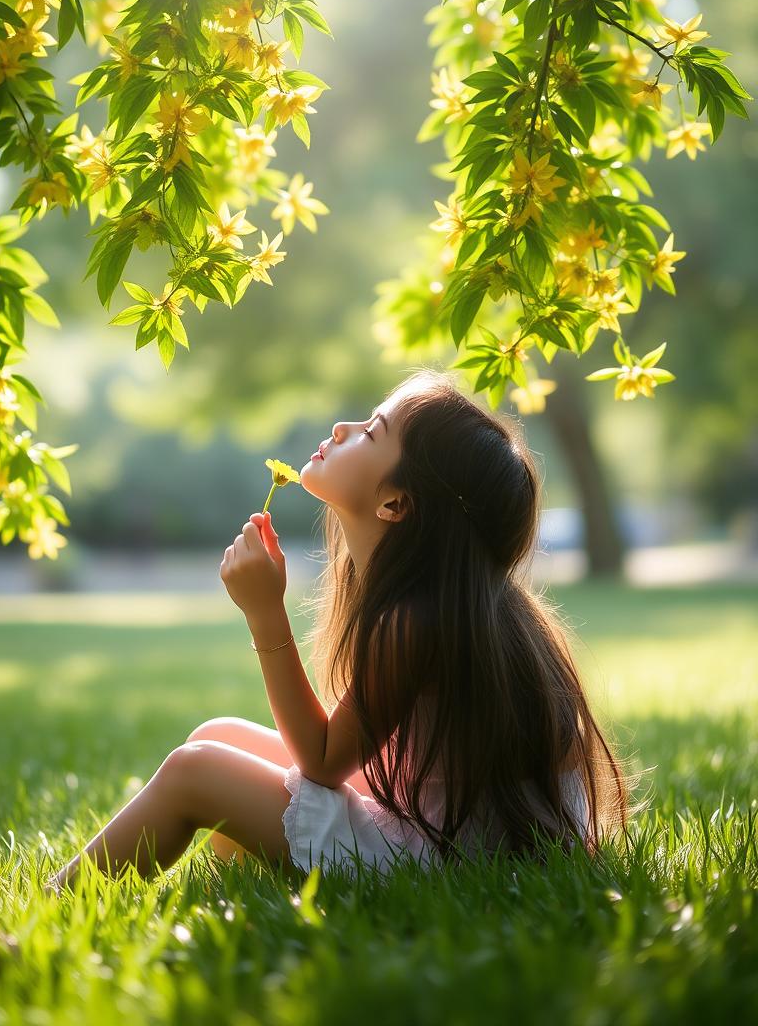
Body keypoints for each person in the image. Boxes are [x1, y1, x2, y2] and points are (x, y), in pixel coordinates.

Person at [45, 367, 638, 894]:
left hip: (445, 858)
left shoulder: (416, 620)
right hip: (451, 822)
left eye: (371, 432)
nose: (341, 427)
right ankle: (260, 883)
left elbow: (326, 761)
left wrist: (264, 613)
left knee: (194, 770)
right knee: (218, 733)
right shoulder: (451, 603)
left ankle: (51, 907)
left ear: (396, 505)